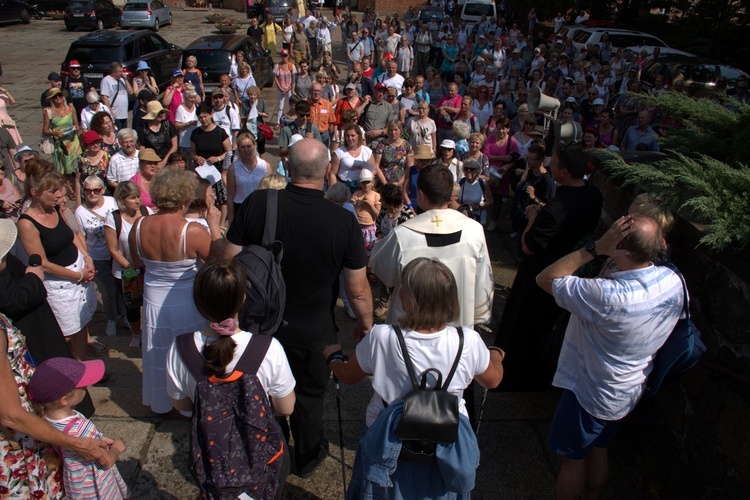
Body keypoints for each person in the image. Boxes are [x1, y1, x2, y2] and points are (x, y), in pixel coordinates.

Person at [224, 138, 373, 478]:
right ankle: (306, 458)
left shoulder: (259, 202)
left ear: (287, 168)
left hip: (262, 325)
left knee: (265, 392)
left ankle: (272, 451)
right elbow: (358, 289)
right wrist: (365, 324)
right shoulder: (343, 222)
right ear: (327, 171)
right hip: (316, 331)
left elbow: (227, 261)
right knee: (309, 399)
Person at [325, 257, 504, 497]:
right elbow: (492, 380)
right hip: (445, 445)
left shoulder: (382, 337)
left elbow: (348, 376)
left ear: (406, 299)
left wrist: (334, 360)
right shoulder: (468, 341)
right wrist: (496, 356)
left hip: (388, 443)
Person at [536, 214, 683, 500]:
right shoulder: (672, 280)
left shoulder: (607, 295)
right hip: (628, 388)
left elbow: (546, 278)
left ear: (620, 249)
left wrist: (596, 247)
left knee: (572, 460)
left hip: (589, 390)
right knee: (600, 448)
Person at [166, 258, 296, 498]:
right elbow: (285, 407)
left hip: (213, 460)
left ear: (199, 302)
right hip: (263, 456)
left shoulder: (180, 348)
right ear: (243, 298)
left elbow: (182, 405)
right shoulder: (268, 348)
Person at [493, 143, 603, 391]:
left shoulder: (555, 210)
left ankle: (515, 377)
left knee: (526, 324)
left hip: (542, 271)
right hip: (572, 267)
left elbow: (528, 247)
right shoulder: (594, 195)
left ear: (563, 172)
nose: (549, 167)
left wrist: (533, 218)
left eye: (553, 165)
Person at [128, 169, 222, 414]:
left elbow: (137, 262)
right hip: (186, 300)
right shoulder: (192, 230)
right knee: (188, 351)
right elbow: (218, 262)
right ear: (184, 197)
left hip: (153, 298)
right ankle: (189, 403)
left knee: (156, 350)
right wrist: (213, 225)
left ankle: (162, 402)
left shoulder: (138, 225)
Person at [17, 165, 97, 362]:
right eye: (52, 191)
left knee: (82, 323)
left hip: (79, 275)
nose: (59, 195)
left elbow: (71, 235)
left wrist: (87, 257)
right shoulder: (26, 223)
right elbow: (42, 263)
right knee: (66, 330)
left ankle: (82, 361)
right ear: (35, 193)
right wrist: (77, 276)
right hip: (60, 285)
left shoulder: (54, 209)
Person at [29, 357, 128, 499]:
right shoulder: (81, 427)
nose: (86, 387)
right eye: (82, 386)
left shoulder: (44, 418)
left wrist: (98, 438)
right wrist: (116, 449)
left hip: (76, 485)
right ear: (64, 400)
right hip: (96, 485)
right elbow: (106, 460)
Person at [75, 175, 125, 338]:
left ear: (102, 190)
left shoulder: (112, 202)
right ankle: (111, 319)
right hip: (98, 257)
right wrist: (86, 256)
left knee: (121, 287)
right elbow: (81, 236)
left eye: (96, 190)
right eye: (88, 190)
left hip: (117, 253)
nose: (92, 193)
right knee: (108, 290)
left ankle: (123, 316)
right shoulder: (80, 212)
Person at [104, 181, 151, 348]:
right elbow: (113, 249)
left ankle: (148, 333)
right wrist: (130, 267)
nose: (137, 201)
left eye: (138, 197)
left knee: (149, 304)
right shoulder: (113, 218)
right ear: (122, 200)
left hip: (148, 269)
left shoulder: (147, 212)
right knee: (132, 307)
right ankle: (136, 334)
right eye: (133, 198)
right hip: (125, 271)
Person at [226, 132, 268, 224]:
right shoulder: (233, 168)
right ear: (239, 149)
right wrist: (231, 221)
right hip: (241, 209)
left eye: (249, 146)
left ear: (254, 146)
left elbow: (270, 194)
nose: (246, 150)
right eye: (243, 147)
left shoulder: (265, 166)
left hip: (260, 209)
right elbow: (230, 197)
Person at [42, 88, 82, 181]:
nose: (58, 98)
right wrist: (54, 132)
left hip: (72, 141)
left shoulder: (70, 109)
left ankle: (76, 186)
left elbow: (76, 124)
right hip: (60, 143)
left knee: (77, 167)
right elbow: (45, 130)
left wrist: (76, 128)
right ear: (51, 99)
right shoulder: (48, 111)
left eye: (59, 95)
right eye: (55, 96)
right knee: (63, 168)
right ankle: (69, 189)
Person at [330, 123, 377, 192]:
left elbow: (374, 170)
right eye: (347, 136)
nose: (350, 138)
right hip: (344, 185)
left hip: (363, 186)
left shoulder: (367, 151)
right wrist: (333, 191)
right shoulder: (339, 152)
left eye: (352, 136)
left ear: (358, 136)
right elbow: (332, 174)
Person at [137, 101, 178, 169]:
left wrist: (164, 162)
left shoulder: (168, 124)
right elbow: (142, 151)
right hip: (152, 164)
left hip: (169, 161)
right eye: (158, 113)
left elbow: (175, 146)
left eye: (161, 112)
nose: (161, 115)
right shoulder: (143, 129)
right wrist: (153, 164)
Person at [373, 119, 413, 187]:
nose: (393, 132)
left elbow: (409, 167)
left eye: (395, 130)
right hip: (384, 184)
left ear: (400, 130)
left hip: (401, 184)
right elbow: (376, 166)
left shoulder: (407, 145)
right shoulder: (381, 145)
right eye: (391, 130)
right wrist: (386, 184)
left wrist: (400, 183)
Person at [100, 63, 133, 130]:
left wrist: (126, 80)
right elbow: (104, 97)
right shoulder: (106, 80)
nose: (122, 73)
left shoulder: (121, 80)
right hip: (115, 114)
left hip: (124, 114)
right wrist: (110, 112)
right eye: (120, 72)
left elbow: (131, 92)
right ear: (114, 72)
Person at [273, 50, 297, 127]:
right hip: (281, 89)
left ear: (288, 56)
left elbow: (294, 79)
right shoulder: (278, 66)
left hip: (289, 89)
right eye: (283, 56)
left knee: (292, 105)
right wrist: (280, 88)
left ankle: (294, 118)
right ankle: (278, 122)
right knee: (280, 106)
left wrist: (289, 89)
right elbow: (275, 78)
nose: (284, 58)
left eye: (286, 56)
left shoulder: (291, 66)